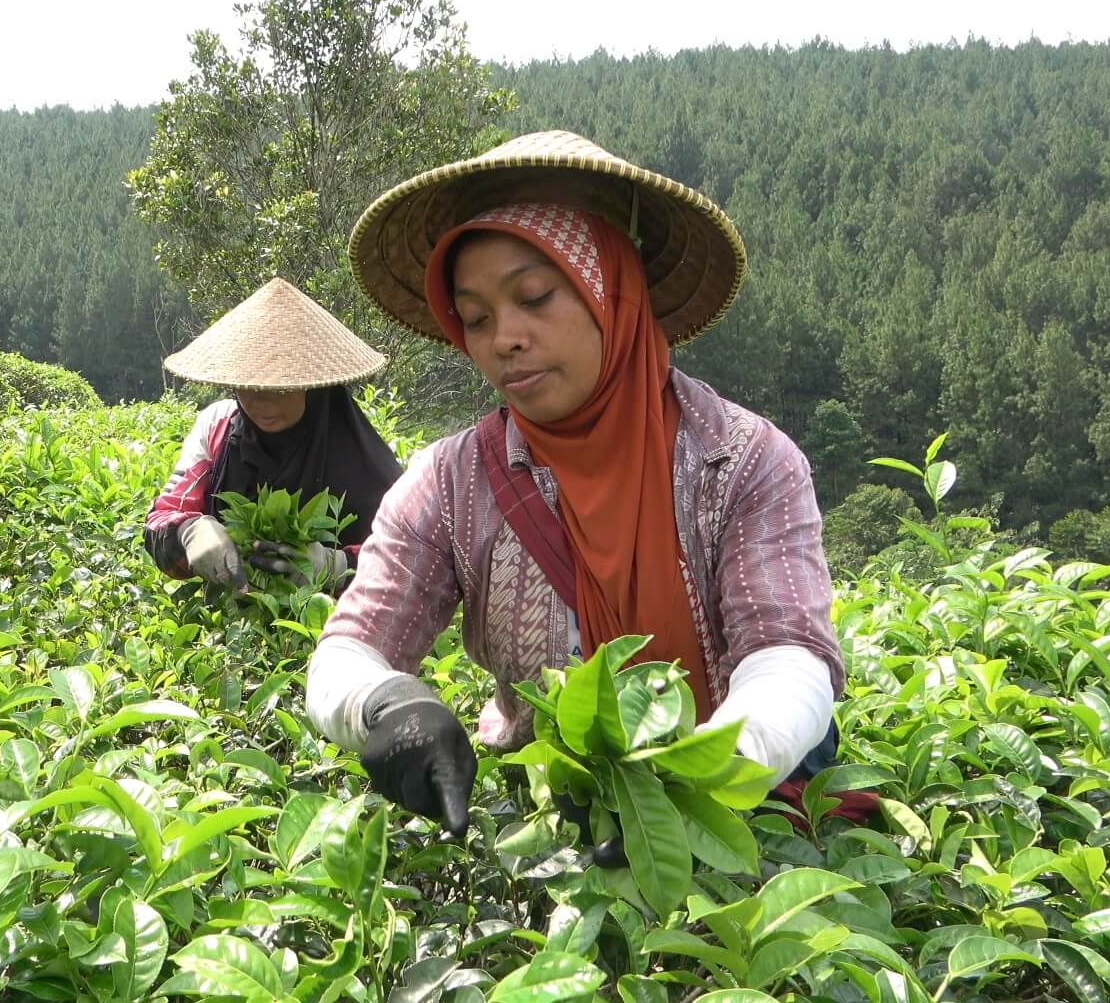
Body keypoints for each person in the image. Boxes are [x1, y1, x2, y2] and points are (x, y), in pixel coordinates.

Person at [306, 131, 850, 838]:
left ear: (612, 293)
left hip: (743, 816)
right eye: (475, 318)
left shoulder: (740, 461)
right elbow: (349, 650)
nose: (504, 337)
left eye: (534, 296)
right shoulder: (451, 484)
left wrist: (697, 778)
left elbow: (789, 658)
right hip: (550, 829)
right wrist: (384, 705)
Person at [144, 277, 404, 593]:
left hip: (336, 633)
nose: (260, 402)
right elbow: (162, 517)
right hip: (231, 633)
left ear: (313, 385)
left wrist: (339, 566)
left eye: (280, 388)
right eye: (247, 386)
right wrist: (188, 532)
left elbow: (409, 562)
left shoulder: (360, 456)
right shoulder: (220, 427)